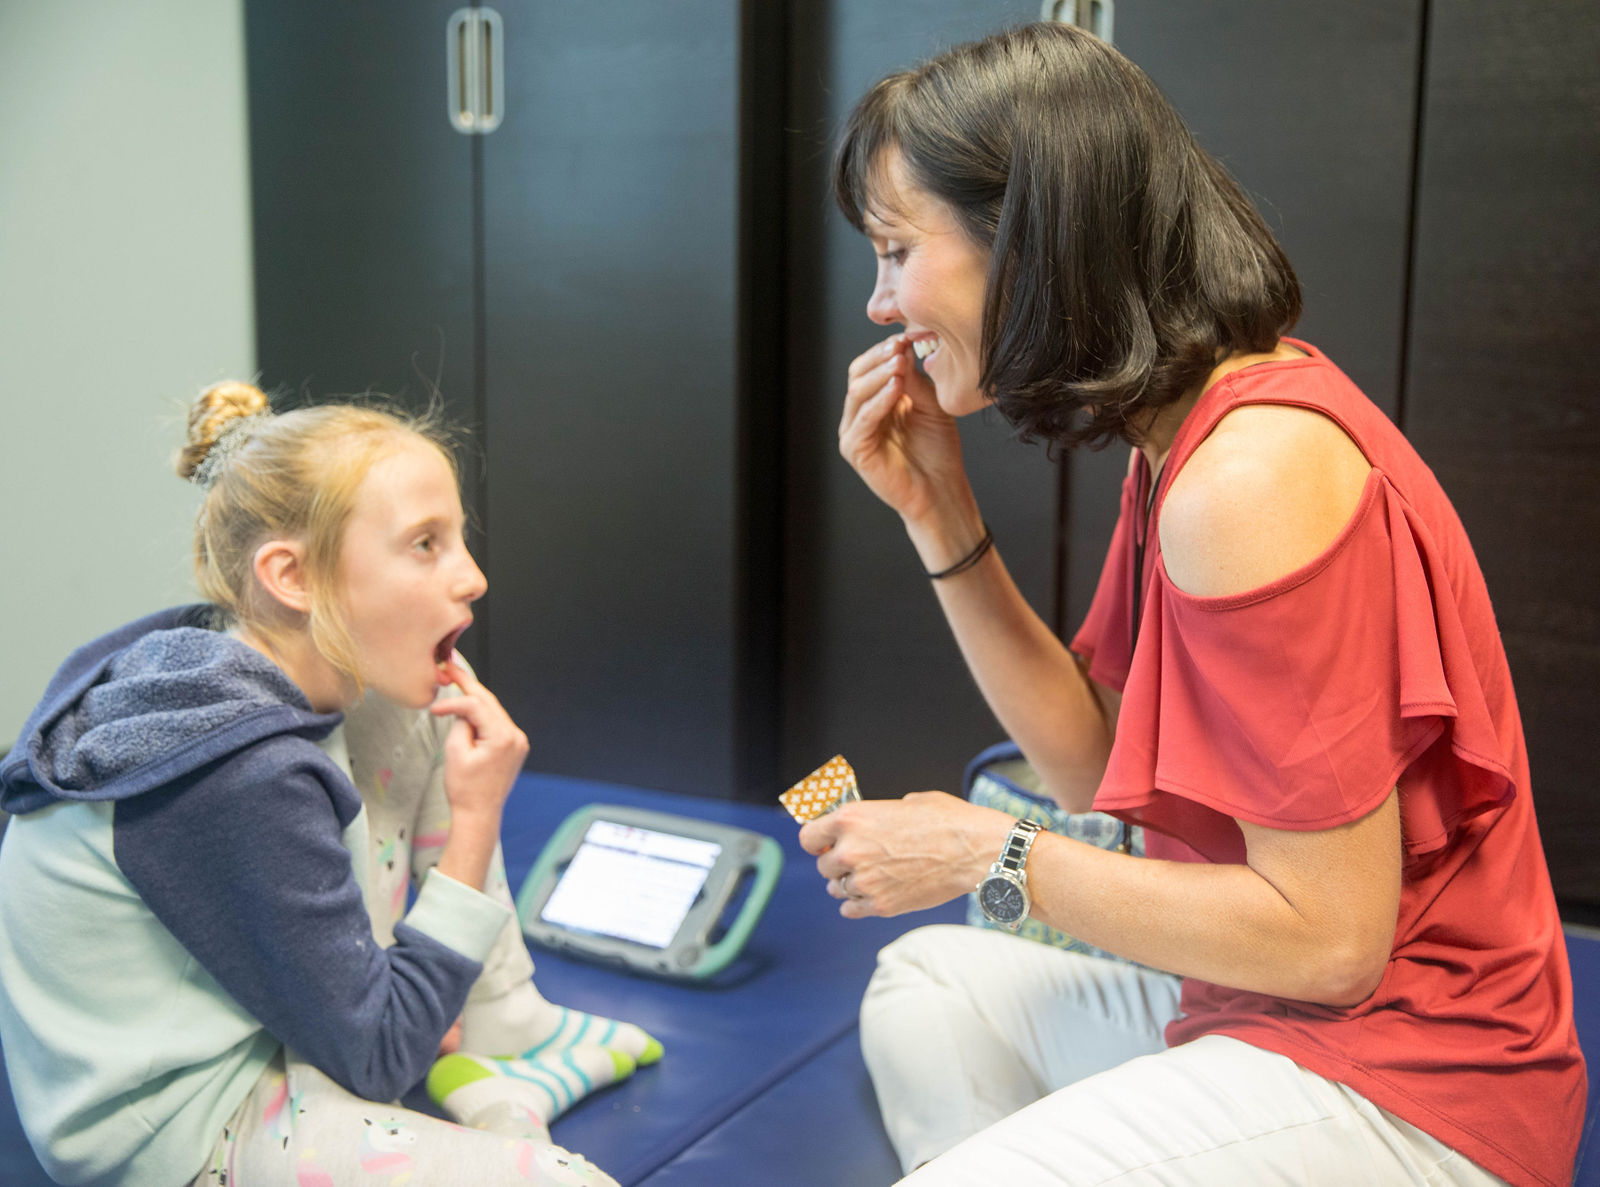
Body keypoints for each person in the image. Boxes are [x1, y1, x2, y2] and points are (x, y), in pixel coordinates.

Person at [798, 22, 1584, 1187]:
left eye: (897, 250)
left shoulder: (1247, 477)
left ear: (1027, 237)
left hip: (1415, 1085)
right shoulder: (1174, 440)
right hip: (1264, 1012)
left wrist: (983, 850)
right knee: (930, 988)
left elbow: (1330, 941)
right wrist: (938, 515)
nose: (878, 301)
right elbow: (1089, 767)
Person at [0, 382, 656, 1187]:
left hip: (271, 1023)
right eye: (426, 543)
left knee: (429, 703)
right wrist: (478, 814)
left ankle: (502, 1018)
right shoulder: (237, 769)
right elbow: (380, 1058)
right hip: (189, 1133)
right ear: (292, 575)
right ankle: (450, 1020)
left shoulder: (225, 659)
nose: (474, 575)